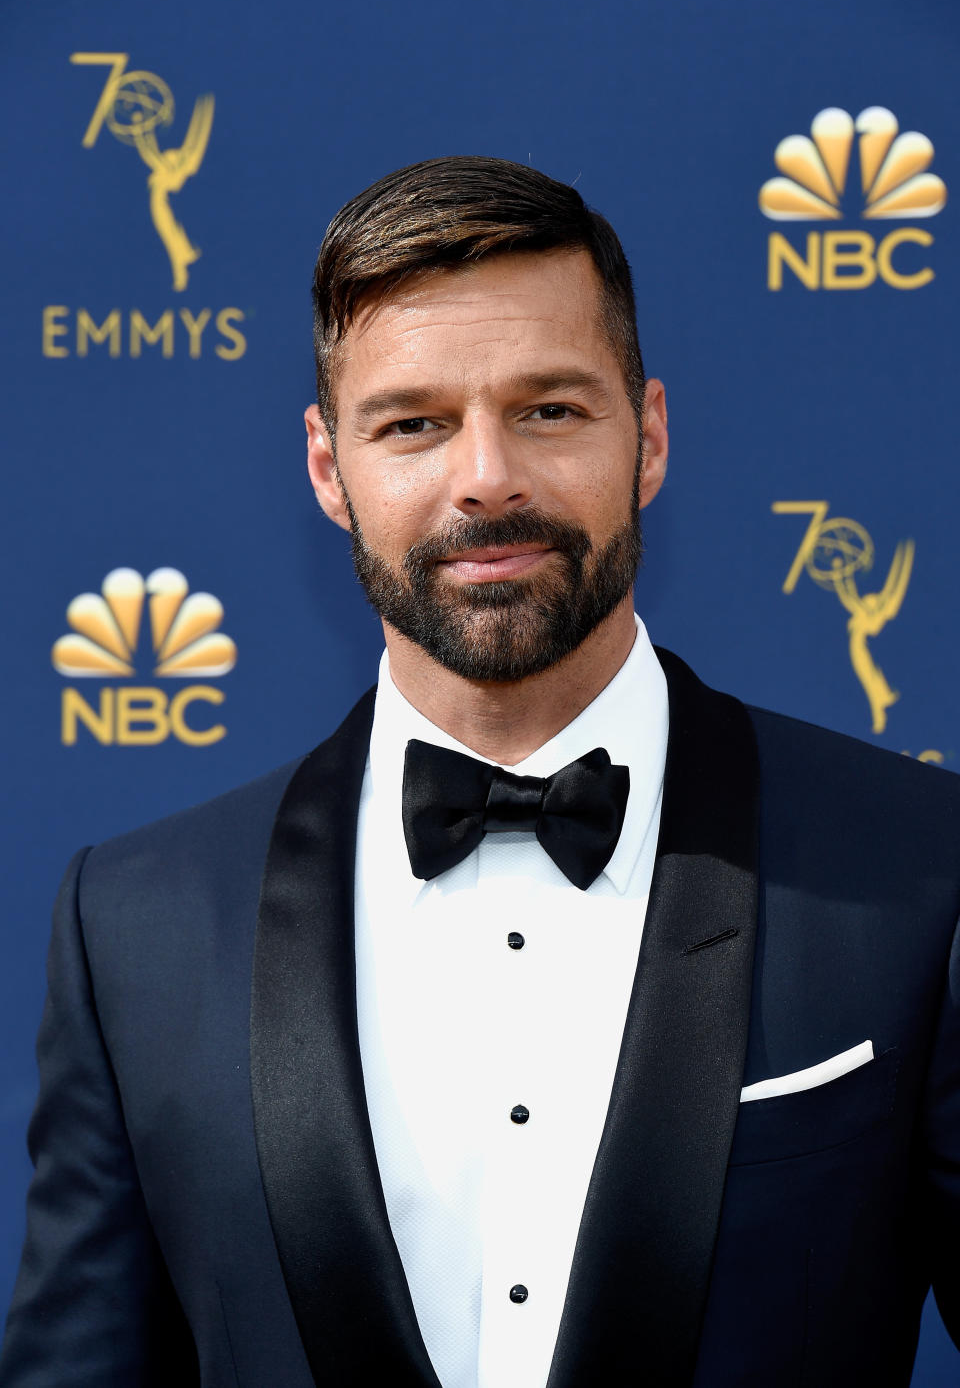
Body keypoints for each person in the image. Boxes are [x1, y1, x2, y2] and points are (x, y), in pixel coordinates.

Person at [1, 156, 959, 1388]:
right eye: (413, 423)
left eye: (550, 409)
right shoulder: (133, 930)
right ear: (327, 468)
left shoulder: (920, 870)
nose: (486, 475)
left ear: (650, 437)